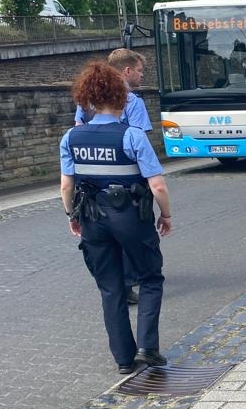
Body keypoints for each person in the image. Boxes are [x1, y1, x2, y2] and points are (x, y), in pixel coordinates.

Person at [60, 62, 172, 374]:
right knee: (150, 277)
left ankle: (124, 359)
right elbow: (158, 184)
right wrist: (166, 213)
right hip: (131, 217)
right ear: (121, 97)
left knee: (110, 287)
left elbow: (67, 184)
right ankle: (148, 345)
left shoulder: (70, 138)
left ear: (89, 100)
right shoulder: (132, 136)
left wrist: (71, 215)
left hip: (93, 218)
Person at [74, 48, 154, 305]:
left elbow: (78, 129)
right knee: (132, 228)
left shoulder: (86, 102)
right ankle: (133, 280)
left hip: (91, 178)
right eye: (139, 71)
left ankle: (115, 283)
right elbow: (140, 139)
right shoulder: (133, 102)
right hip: (128, 179)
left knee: (102, 232)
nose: (142, 76)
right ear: (127, 71)